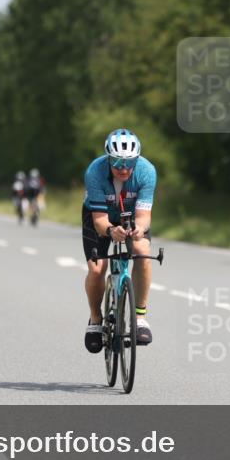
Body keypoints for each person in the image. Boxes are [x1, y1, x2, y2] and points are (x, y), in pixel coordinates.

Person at [82, 129, 157, 352]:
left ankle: (140, 317)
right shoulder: (95, 171)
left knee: (142, 251)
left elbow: (144, 217)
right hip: (101, 217)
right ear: (108, 157)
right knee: (97, 268)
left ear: (137, 159)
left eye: (129, 162)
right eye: (117, 162)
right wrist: (111, 230)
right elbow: (99, 220)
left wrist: (138, 230)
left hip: (131, 216)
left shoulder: (146, 171)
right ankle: (95, 320)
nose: (123, 168)